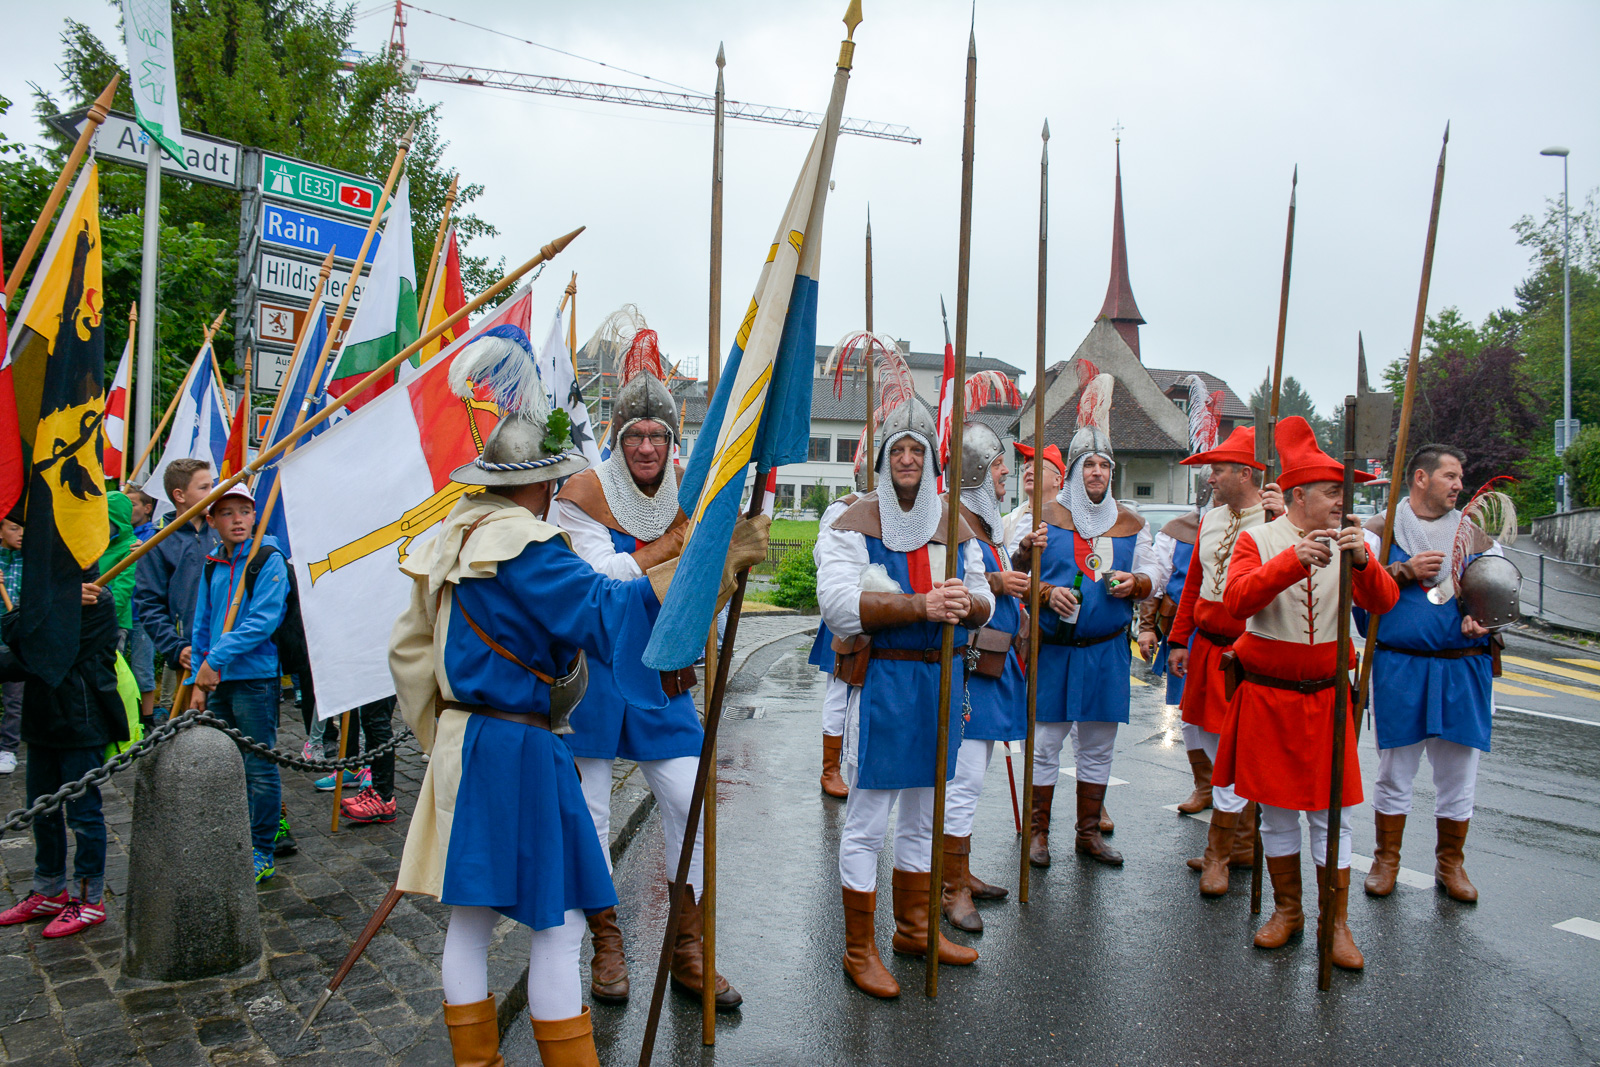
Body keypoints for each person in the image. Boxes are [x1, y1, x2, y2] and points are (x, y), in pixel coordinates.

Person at [390, 329, 765, 1065]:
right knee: (556, 925)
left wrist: (444, 737)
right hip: (522, 744)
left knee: (469, 922)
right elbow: (607, 609)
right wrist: (712, 563)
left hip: (468, 743)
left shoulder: (453, 538)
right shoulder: (527, 546)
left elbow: (409, 655)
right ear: (537, 482)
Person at [549, 321, 739, 1011]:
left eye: (659, 435)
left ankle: (688, 947)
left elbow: (703, 589)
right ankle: (607, 941)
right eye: (636, 435)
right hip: (596, 672)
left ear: (672, 439)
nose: (648, 446)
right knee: (592, 814)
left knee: (690, 800)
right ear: (618, 436)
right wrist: (671, 548)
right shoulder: (582, 493)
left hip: (662, 672)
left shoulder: (693, 493)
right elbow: (602, 580)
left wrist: (718, 558)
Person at [816, 397, 992, 999]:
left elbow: (984, 596)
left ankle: (914, 929)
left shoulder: (954, 522)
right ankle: (858, 948)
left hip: (941, 683)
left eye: (919, 450)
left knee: (923, 815)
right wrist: (920, 605)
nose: (909, 459)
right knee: (868, 821)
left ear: (933, 459)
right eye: (900, 450)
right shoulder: (852, 522)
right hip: (885, 683)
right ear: (885, 458)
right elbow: (839, 607)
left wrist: (968, 604)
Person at [1215, 416, 1398, 970]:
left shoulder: (1355, 542)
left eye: (1344, 492)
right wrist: (1290, 563)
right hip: (1268, 696)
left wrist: (1364, 561)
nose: (1343, 501)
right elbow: (1236, 602)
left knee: (1330, 815)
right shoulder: (1258, 539)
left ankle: (1334, 923)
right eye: (1333, 492)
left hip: (1327, 697)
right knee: (1276, 814)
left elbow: (1384, 604)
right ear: (1299, 496)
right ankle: (1287, 911)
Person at [1023, 367, 1159, 868]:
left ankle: (1087, 834)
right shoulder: (1044, 517)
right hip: (1056, 651)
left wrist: (1136, 584)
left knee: (1099, 747)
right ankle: (1038, 834)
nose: (1097, 472)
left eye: (1104, 465)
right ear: (1076, 471)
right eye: (1088, 465)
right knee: (1045, 745)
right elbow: (1018, 577)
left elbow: (1154, 575)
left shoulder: (1131, 523)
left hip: (1106, 653)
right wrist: (1047, 592)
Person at [1361, 444, 1502, 903]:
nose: (1459, 485)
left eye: (1460, 477)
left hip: (1464, 667)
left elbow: (1501, 597)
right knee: (1395, 773)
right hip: (1400, 666)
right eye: (1450, 476)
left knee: (1459, 775)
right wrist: (1401, 571)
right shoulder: (1379, 534)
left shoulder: (1476, 538)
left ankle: (1451, 864)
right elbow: (1358, 597)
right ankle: (1386, 860)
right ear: (1421, 478)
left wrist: (1485, 620)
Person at [1166, 427, 1274, 894]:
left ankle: (1220, 856)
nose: (1210, 478)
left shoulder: (1275, 519)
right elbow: (1193, 584)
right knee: (1210, 742)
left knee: (1237, 752)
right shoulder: (1210, 518)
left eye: (1219, 470)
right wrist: (1179, 640)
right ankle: (1242, 845)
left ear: (1245, 473)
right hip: (1206, 647)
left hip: (1247, 651)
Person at [941, 421, 1039, 933]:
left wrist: (1016, 560)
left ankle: (960, 872)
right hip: (970, 666)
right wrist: (998, 581)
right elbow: (954, 585)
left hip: (993, 662)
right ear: (977, 470)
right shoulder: (953, 519)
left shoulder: (983, 521)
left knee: (972, 779)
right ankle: (950, 887)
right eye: (998, 465)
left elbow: (992, 575)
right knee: (964, 779)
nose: (1006, 473)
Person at [0, 578, 124, 937]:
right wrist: (55, 599)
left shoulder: (98, 598)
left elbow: (47, 651)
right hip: (42, 721)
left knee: (83, 815)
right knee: (41, 811)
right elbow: (12, 629)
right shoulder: (47, 593)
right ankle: (49, 890)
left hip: (81, 721)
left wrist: (49, 607)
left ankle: (89, 899)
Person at [186, 483, 290, 886]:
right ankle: (236, 839)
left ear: (254, 515)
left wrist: (215, 659)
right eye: (227, 513)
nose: (238, 520)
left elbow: (263, 621)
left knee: (259, 767)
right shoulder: (213, 563)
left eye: (244, 511)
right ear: (212, 520)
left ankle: (262, 848)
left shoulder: (267, 558)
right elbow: (202, 624)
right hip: (217, 680)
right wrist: (198, 678)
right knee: (228, 767)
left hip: (254, 679)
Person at [133, 458, 217, 722]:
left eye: (212, 486)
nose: (213, 493)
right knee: (198, 734)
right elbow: (149, 604)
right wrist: (175, 647)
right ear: (179, 495)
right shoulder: (158, 541)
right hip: (190, 655)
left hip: (231, 651)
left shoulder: (222, 529)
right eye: (204, 488)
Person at [809, 461, 868, 800]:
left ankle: (863, 764)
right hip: (849, 614)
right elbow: (824, 558)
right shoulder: (843, 509)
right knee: (838, 693)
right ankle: (830, 768)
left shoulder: (896, 510)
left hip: (883, 616)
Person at [125, 490, 159, 732]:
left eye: (133, 504)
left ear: (147, 508)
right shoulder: (116, 534)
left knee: (142, 668)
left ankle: (147, 718)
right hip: (117, 613)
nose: (129, 510)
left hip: (142, 614)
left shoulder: (155, 535)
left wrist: (146, 551)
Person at [1003, 442, 1063, 557]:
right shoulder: (1007, 523)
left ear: (1057, 480)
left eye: (1039, 467)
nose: (1029, 471)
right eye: (1027, 467)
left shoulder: (1070, 519)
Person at [0, 512, 24, 775]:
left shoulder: (32, 560)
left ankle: (8, 748)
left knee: (14, 698)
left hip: (16, 642)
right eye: (14, 528)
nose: (21, 534)